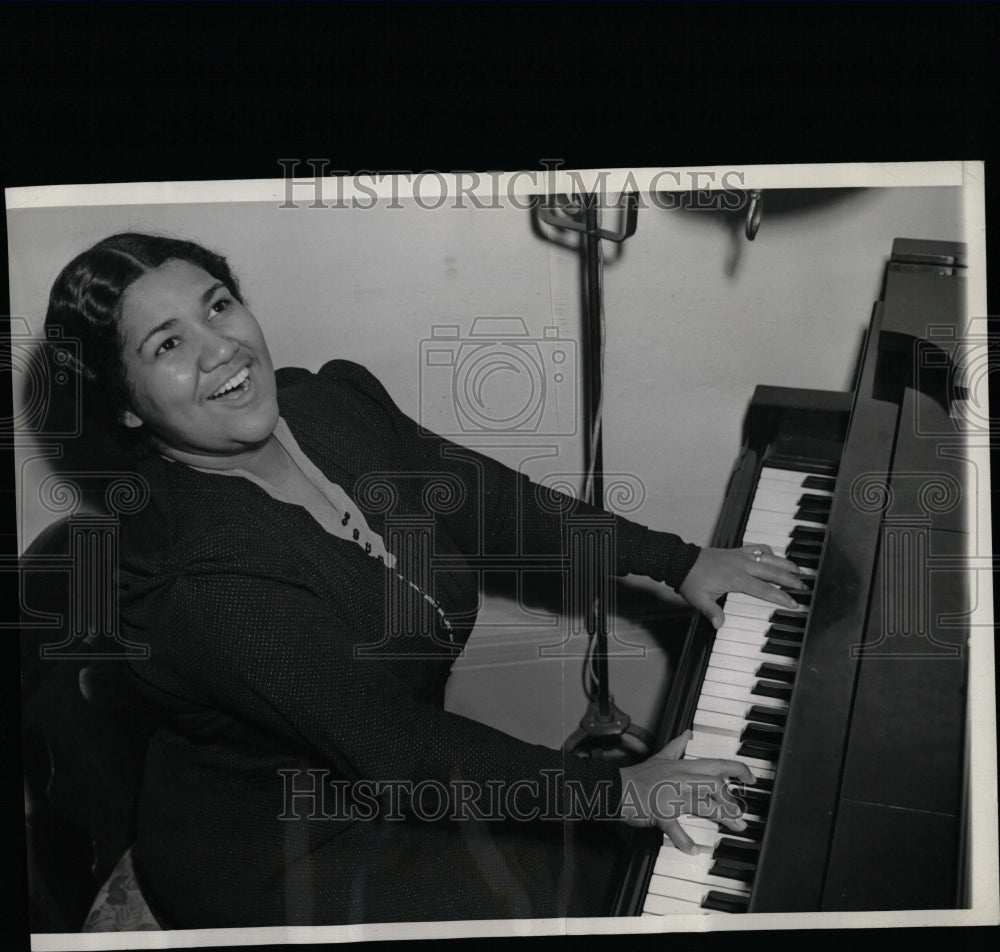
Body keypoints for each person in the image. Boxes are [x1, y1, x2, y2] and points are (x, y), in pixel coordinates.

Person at [40, 232, 806, 927]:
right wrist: (618, 791)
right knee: (597, 891)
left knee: (616, 870)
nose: (221, 349)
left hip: (397, 776)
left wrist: (677, 560)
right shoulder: (197, 582)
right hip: (279, 842)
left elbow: (487, 500)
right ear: (125, 407)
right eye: (168, 343)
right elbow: (397, 744)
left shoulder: (325, 409)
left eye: (219, 305)